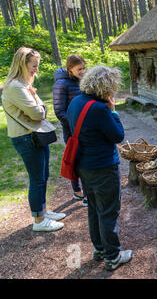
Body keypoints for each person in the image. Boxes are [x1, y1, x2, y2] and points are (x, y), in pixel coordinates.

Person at [66, 65, 132, 271]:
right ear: (106, 87)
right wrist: (113, 111)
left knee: (94, 208)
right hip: (103, 167)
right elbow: (118, 136)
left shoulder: (77, 101)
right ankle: (113, 256)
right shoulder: (100, 108)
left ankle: (100, 249)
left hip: (84, 166)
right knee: (109, 211)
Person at [1, 47, 66, 232]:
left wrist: (39, 105)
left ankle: (42, 211)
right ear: (22, 64)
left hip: (34, 136)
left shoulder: (23, 84)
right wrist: (40, 106)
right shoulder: (16, 86)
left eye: (37, 66)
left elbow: (40, 108)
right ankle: (39, 221)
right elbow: (39, 113)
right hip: (26, 138)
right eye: (33, 66)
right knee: (37, 179)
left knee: (43, 177)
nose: (36, 70)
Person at [53, 54, 87, 206]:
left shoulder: (80, 81)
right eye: (79, 69)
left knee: (85, 160)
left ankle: (87, 194)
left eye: (84, 68)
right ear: (69, 69)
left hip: (84, 128)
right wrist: (75, 124)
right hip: (71, 130)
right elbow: (59, 111)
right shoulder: (61, 84)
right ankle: (78, 191)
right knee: (74, 159)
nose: (83, 71)